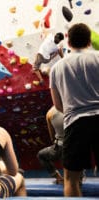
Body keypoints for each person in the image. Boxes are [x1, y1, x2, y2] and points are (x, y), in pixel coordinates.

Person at [50, 23, 99, 197]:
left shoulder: (57, 68)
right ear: (89, 41)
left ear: (69, 43)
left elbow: (58, 105)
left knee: (71, 178)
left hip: (75, 121)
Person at [37, 106, 64, 184]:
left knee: (41, 155)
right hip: (80, 146)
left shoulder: (50, 113)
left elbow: (52, 137)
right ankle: (80, 175)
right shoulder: (76, 106)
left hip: (62, 146)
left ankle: (59, 178)